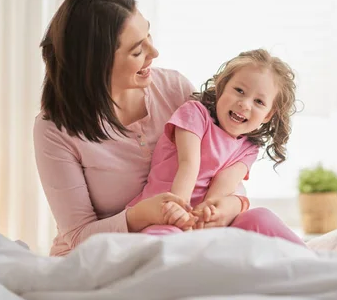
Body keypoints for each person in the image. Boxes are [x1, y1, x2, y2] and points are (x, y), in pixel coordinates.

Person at [34, 0, 305, 257]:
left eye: (148, 34)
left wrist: (232, 206)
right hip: (102, 257)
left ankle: (320, 268)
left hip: (188, 236)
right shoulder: (55, 130)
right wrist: (140, 215)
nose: (154, 52)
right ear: (97, 63)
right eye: (137, 50)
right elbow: (78, 236)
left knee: (261, 221)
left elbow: (222, 161)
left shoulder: (174, 88)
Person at [127, 49, 298, 234]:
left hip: (199, 223)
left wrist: (206, 215)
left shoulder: (248, 149)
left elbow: (221, 189)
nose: (245, 104)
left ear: (268, 115)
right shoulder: (194, 114)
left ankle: (308, 259)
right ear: (221, 87)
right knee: (169, 237)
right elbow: (189, 164)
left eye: (259, 102)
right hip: (163, 213)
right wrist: (178, 211)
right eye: (239, 91)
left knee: (262, 217)